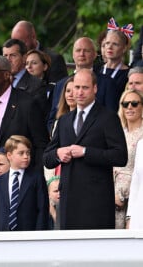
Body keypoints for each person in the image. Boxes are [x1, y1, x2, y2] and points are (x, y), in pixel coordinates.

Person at [43, 69, 128, 230]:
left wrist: (86, 152)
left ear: (95, 89)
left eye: (85, 87)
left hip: (97, 202)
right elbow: (47, 158)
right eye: (77, 87)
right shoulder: (64, 120)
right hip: (68, 200)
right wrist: (58, 154)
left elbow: (120, 156)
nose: (80, 92)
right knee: (70, 252)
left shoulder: (108, 117)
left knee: (97, 252)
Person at [0, 55, 49, 205]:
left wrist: (32, 180)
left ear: (7, 75)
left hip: (15, 181)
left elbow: (41, 145)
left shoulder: (27, 103)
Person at [48, 37, 119, 133]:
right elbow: (52, 118)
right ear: (73, 55)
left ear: (94, 55)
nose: (82, 54)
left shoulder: (107, 83)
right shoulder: (60, 84)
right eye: (78, 50)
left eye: (86, 51)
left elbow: (112, 117)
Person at [0, 135, 49, 231]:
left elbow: (42, 209)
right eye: (21, 153)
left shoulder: (36, 178)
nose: (26, 156)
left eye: (28, 153)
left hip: (29, 235)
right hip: (3, 236)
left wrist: (39, 235)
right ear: (9, 155)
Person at [114, 89, 143, 229]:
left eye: (134, 103)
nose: (129, 107)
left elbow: (138, 173)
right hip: (112, 192)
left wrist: (122, 194)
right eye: (125, 104)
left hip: (133, 197)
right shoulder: (118, 131)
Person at [45, 77, 76, 181]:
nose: (70, 95)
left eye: (74, 91)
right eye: (67, 91)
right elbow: (50, 151)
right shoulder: (58, 120)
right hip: (55, 172)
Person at [102, 28, 131, 98]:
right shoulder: (96, 69)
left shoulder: (129, 74)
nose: (109, 47)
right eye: (107, 43)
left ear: (124, 48)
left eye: (115, 44)